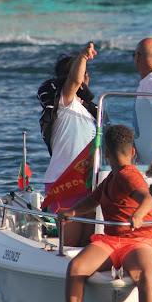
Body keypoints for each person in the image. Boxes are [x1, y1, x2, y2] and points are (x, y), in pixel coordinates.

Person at [57, 125, 152, 302]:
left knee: (145, 274)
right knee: (76, 267)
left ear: (106, 154)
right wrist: (72, 212)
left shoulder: (128, 175)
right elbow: (93, 200)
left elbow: (148, 199)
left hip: (138, 240)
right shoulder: (112, 178)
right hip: (112, 240)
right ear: (133, 152)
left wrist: (138, 214)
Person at [40, 43, 98, 246]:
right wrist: (83, 56)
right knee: (70, 245)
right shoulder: (64, 104)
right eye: (84, 74)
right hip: (64, 182)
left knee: (88, 241)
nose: (86, 78)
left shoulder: (88, 110)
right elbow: (74, 81)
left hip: (88, 182)